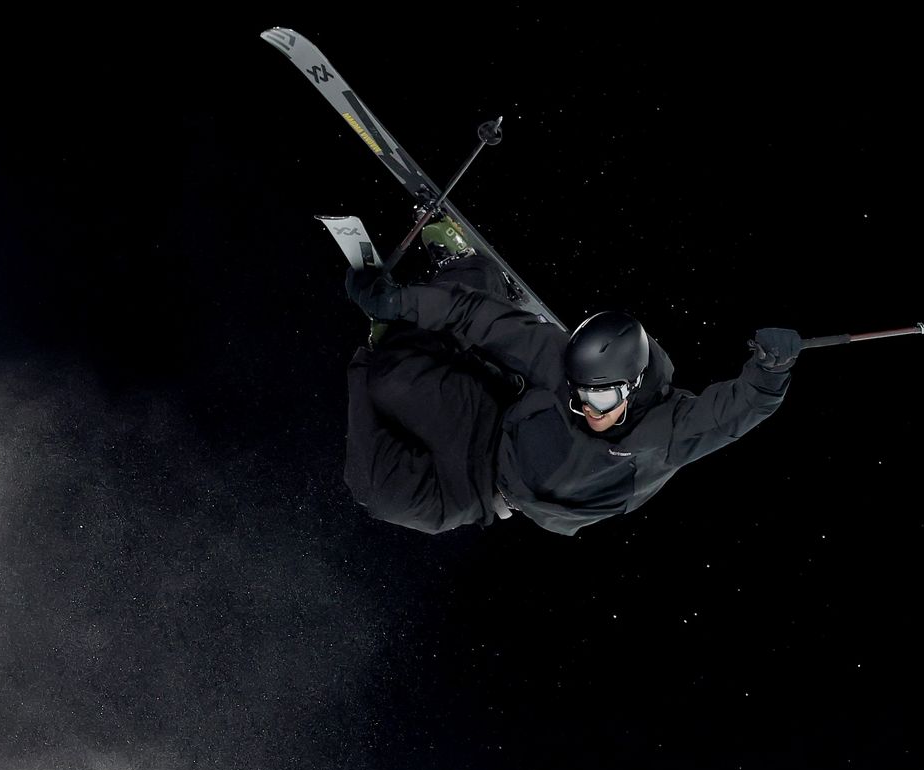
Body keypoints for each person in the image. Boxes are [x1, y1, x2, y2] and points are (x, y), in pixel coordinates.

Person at [341, 219, 801, 535]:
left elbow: (738, 410)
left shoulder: (666, 432)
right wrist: (398, 303)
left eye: (600, 401)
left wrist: (770, 370)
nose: (587, 410)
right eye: (579, 396)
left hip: (489, 493)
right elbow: (477, 317)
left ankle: (402, 345)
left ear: (633, 385)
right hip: (494, 424)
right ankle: (468, 271)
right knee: (390, 380)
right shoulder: (557, 362)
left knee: (381, 498)